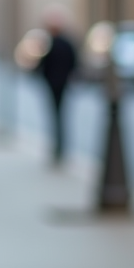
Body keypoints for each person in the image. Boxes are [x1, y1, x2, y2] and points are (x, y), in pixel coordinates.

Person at [35, 11, 78, 166]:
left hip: (54, 84)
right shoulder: (66, 43)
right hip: (62, 83)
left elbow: (41, 65)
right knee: (60, 115)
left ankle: (58, 147)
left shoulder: (51, 43)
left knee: (56, 115)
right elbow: (74, 63)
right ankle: (60, 147)